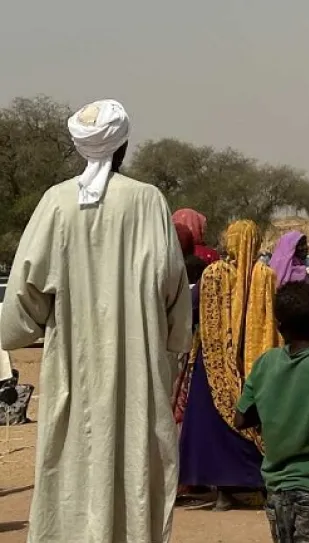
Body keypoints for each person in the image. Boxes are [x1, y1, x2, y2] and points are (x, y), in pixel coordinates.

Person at [0, 99, 192, 543]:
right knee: (135, 473)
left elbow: (24, 298)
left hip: (74, 370)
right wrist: (170, 346)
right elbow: (173, 291)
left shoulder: (56, 203)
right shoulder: (148, 201)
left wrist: (33, 325)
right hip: (137, 375)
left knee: (71, 470)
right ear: (123, 145)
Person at [235, 282, 309, 542]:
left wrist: (274, 406)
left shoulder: (265, 363)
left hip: (276, 488)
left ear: (279, 326)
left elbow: (241, 418)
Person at [179, 220, 281, 511]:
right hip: (254, 362)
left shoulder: (214, 273)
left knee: (212, 426)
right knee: (252, 420)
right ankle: (258, 485)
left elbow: (194, 309)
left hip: (213, 363)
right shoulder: (265, 276)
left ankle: (223, 493)